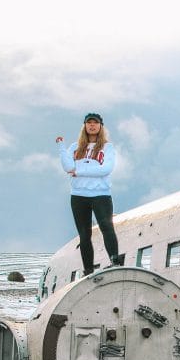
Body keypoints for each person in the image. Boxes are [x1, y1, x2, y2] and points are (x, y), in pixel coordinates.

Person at [57, 113, 122, 275]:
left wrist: (78, 171)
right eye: (89, 123)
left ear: (101, 126)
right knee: (84, 234)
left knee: (106, 226)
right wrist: (61, 147)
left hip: (101, 194)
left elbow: (105, 169)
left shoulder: (107, 148)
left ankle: (115, 262)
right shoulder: (75, 147)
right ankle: (88, 269)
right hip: (78, 196)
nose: (92, 125)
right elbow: (67, 167)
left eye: (95, 123)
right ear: (84, 126)